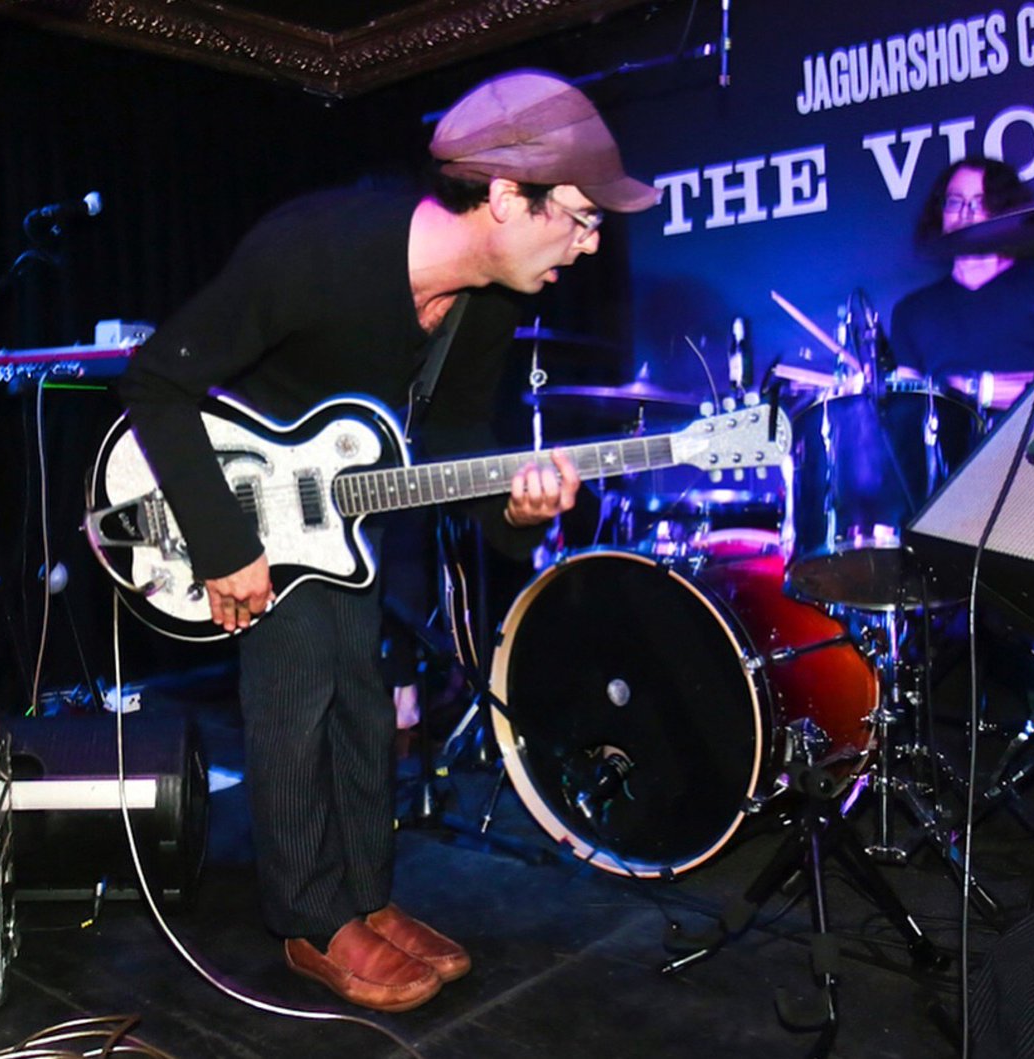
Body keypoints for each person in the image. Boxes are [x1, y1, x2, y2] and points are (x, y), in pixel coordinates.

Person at [117, 69, 660, 1013]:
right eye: (577, 215)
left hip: (349, 519)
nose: (589, 241)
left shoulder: (487, 303)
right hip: (244, 506)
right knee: (299, 692)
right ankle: (310, 920)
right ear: (502, 196)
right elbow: (157, 383)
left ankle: (365, 894)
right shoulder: (319, 248)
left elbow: (451, 442)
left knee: (363, 703)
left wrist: (516, 510)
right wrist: (219, 542)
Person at [890, 156, 1034, 403]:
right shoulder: (912, 311)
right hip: (952, 441)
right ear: (940, 212)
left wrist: (980, 390)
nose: (965, 215)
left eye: (980, 203)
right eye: (955, 202)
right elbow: (908, 407)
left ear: (1005, 211)